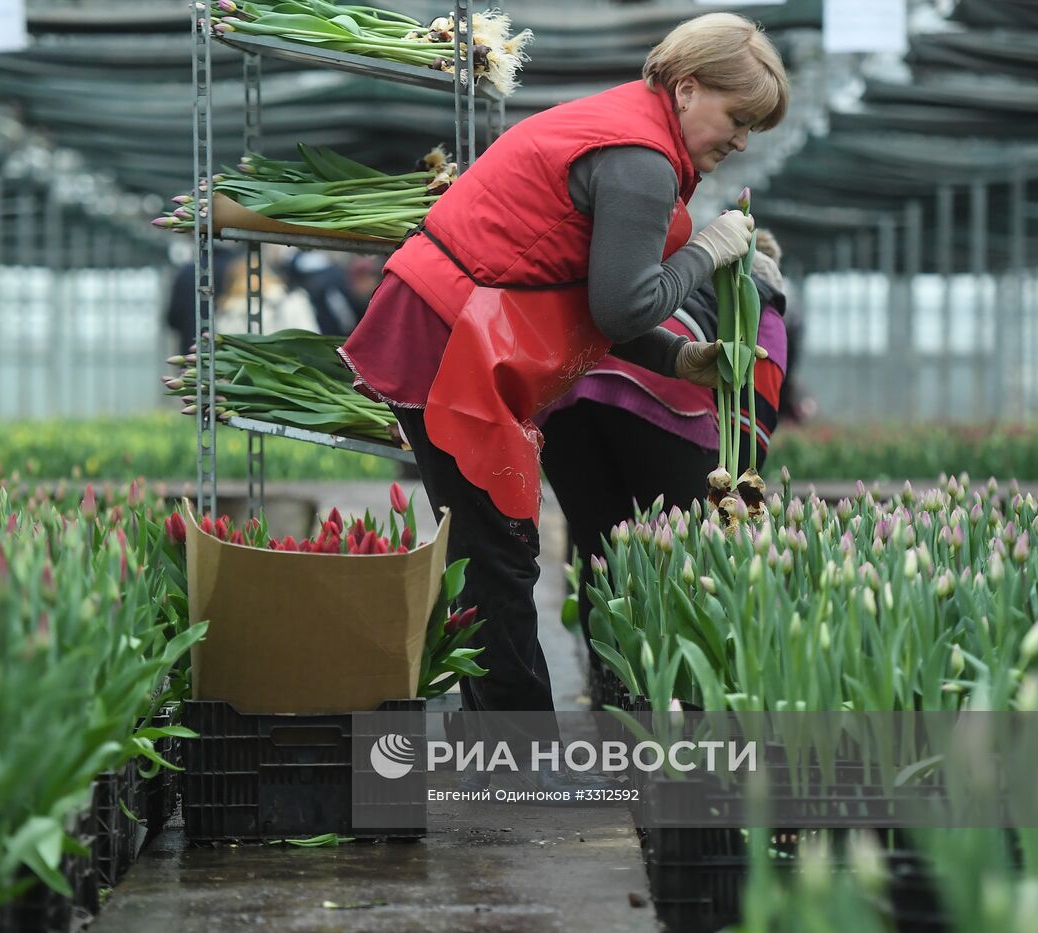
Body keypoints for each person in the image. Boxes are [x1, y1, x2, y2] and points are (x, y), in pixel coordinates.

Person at [337, 12, 787, 790]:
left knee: (492, 551)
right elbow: (623, 303)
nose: (741, 140)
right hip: (452, 343)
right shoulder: (642, 158)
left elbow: (590, 296)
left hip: (459, 332)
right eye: (738, 118)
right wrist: (707, 250)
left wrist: (680, 354)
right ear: (686, 88)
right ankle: (519, 761)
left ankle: (493, 748)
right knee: (498, 555)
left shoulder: (636, 138)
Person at [535, 231, 790, 708]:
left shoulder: (675, 276)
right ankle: (681, 696)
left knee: (601, 548)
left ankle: (609, 690)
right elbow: (754, 421)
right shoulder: (763, 302)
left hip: (569, 397)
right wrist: (742, 512)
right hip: (666, 395)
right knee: (688, 556)